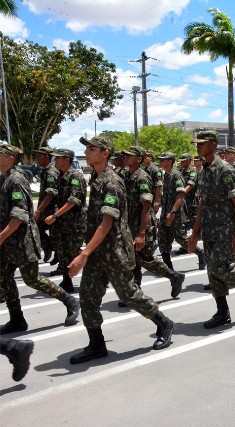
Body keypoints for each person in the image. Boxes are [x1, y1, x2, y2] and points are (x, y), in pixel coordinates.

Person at [67, 137, 175, 364]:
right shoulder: (96, 178)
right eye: (86, 148)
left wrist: (84, 254)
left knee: (129, 295)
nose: (86, 152)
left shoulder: (112, 182)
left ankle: (164, 323)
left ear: (105, 153)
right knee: (88, 297)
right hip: (98, 251)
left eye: (92, 149)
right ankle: (96, 344)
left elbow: (107, 222)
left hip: (114, 250)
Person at [0, 144, 79, 334]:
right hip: (8, 240)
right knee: (3, 277)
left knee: (32, 279)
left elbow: (19, 216)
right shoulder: (5, 178)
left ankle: (69, 301)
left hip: (21, 240)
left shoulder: (16, 180)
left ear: (10, 158)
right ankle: (17, 319)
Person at [187, 131, 235, 328]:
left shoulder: (225, 170)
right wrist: (194, 232)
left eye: (202, 144)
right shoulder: (203, 171)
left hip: (225, 230)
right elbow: (202, 205)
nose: (198, 147)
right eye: (197, 144)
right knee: (212, 271)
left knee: (219, 266)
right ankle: (222, 312)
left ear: (213, 145)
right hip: (209, 230)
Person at [122, 146, 185, 299]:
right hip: (130, 224)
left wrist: (142, 233)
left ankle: (173, 276)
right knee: (134, 259)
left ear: (138, 159)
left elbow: (146, 207)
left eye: (129, 156)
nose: (125, 158)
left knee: (144, 259)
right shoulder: (127, 175)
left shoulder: (142, 177)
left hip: (141, 225)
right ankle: (134, 292)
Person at [44, 148, 87, 293]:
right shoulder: (60, 176)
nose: (55, 160)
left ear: (67, 160)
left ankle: (98, 276)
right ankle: (67, 281)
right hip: (62, 222)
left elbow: (73, 201)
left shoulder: (75, 176)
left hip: (74, 222)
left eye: (58, 158)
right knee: (63, 251)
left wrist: (55, 215)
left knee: (74, 251)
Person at [157, 152, 205, 271]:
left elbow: (181, 194)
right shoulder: (167, 175)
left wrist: (172, 212)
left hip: (176, 212)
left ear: (169, 161)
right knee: (162, 240)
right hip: (166, 211)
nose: (160, 162)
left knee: (180, 238)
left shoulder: (175, 175)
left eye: (163, 160)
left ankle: (200, 253)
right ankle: (170, 271)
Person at [32, 146, 58, 264]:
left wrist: (39, 210)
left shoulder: (51, 172)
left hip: (51, 210)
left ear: (46, 157)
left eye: (39, 156)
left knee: (55, 235)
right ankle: (49, 247)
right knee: (36, 229)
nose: (36, 158)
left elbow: (50, 194)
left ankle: (56, 253)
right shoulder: (45, 171)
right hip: (45, 210)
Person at [179, 152, 199, 231]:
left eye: (183, 161)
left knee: (194, 224)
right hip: (183, 201)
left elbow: (190, 185)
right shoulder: (181, 172)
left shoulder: (193, 172)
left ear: (189, 161)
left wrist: (180, 194)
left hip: (191, 202)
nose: (181, 162)